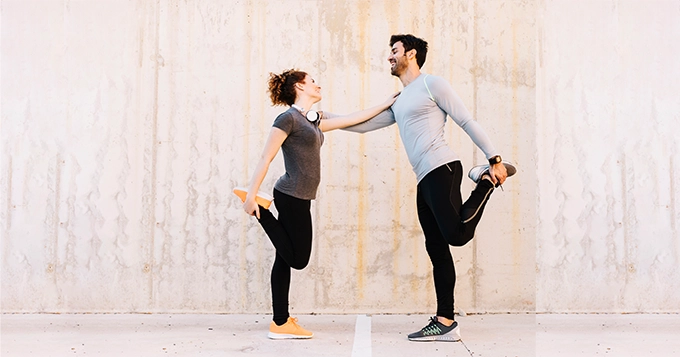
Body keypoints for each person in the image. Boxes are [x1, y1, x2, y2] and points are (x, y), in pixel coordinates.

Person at [343, 34, 516, 341]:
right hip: (424, 177)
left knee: (457, 235)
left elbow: (466, 119)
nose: (389, 57)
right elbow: (360, 124)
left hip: (443, 168)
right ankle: (445, 321)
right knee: (436, 248)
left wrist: (494, 159)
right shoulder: (399, 100)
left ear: (411, 53)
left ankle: (486, 182)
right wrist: (317, 119)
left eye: (394, 51)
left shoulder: (431, 85)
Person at [235, 69, 399, 339]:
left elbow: (351, 119)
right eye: (312, 81)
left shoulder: (312, 120)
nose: (317, 84)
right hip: (291, 196)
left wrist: (386, 103)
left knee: (284, 257)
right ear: (300, 86)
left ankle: (280, 321)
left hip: (301, 196)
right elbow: (266, 156)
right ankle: (261, 212)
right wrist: (252, 195)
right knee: (298, 260)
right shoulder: (287, 118)